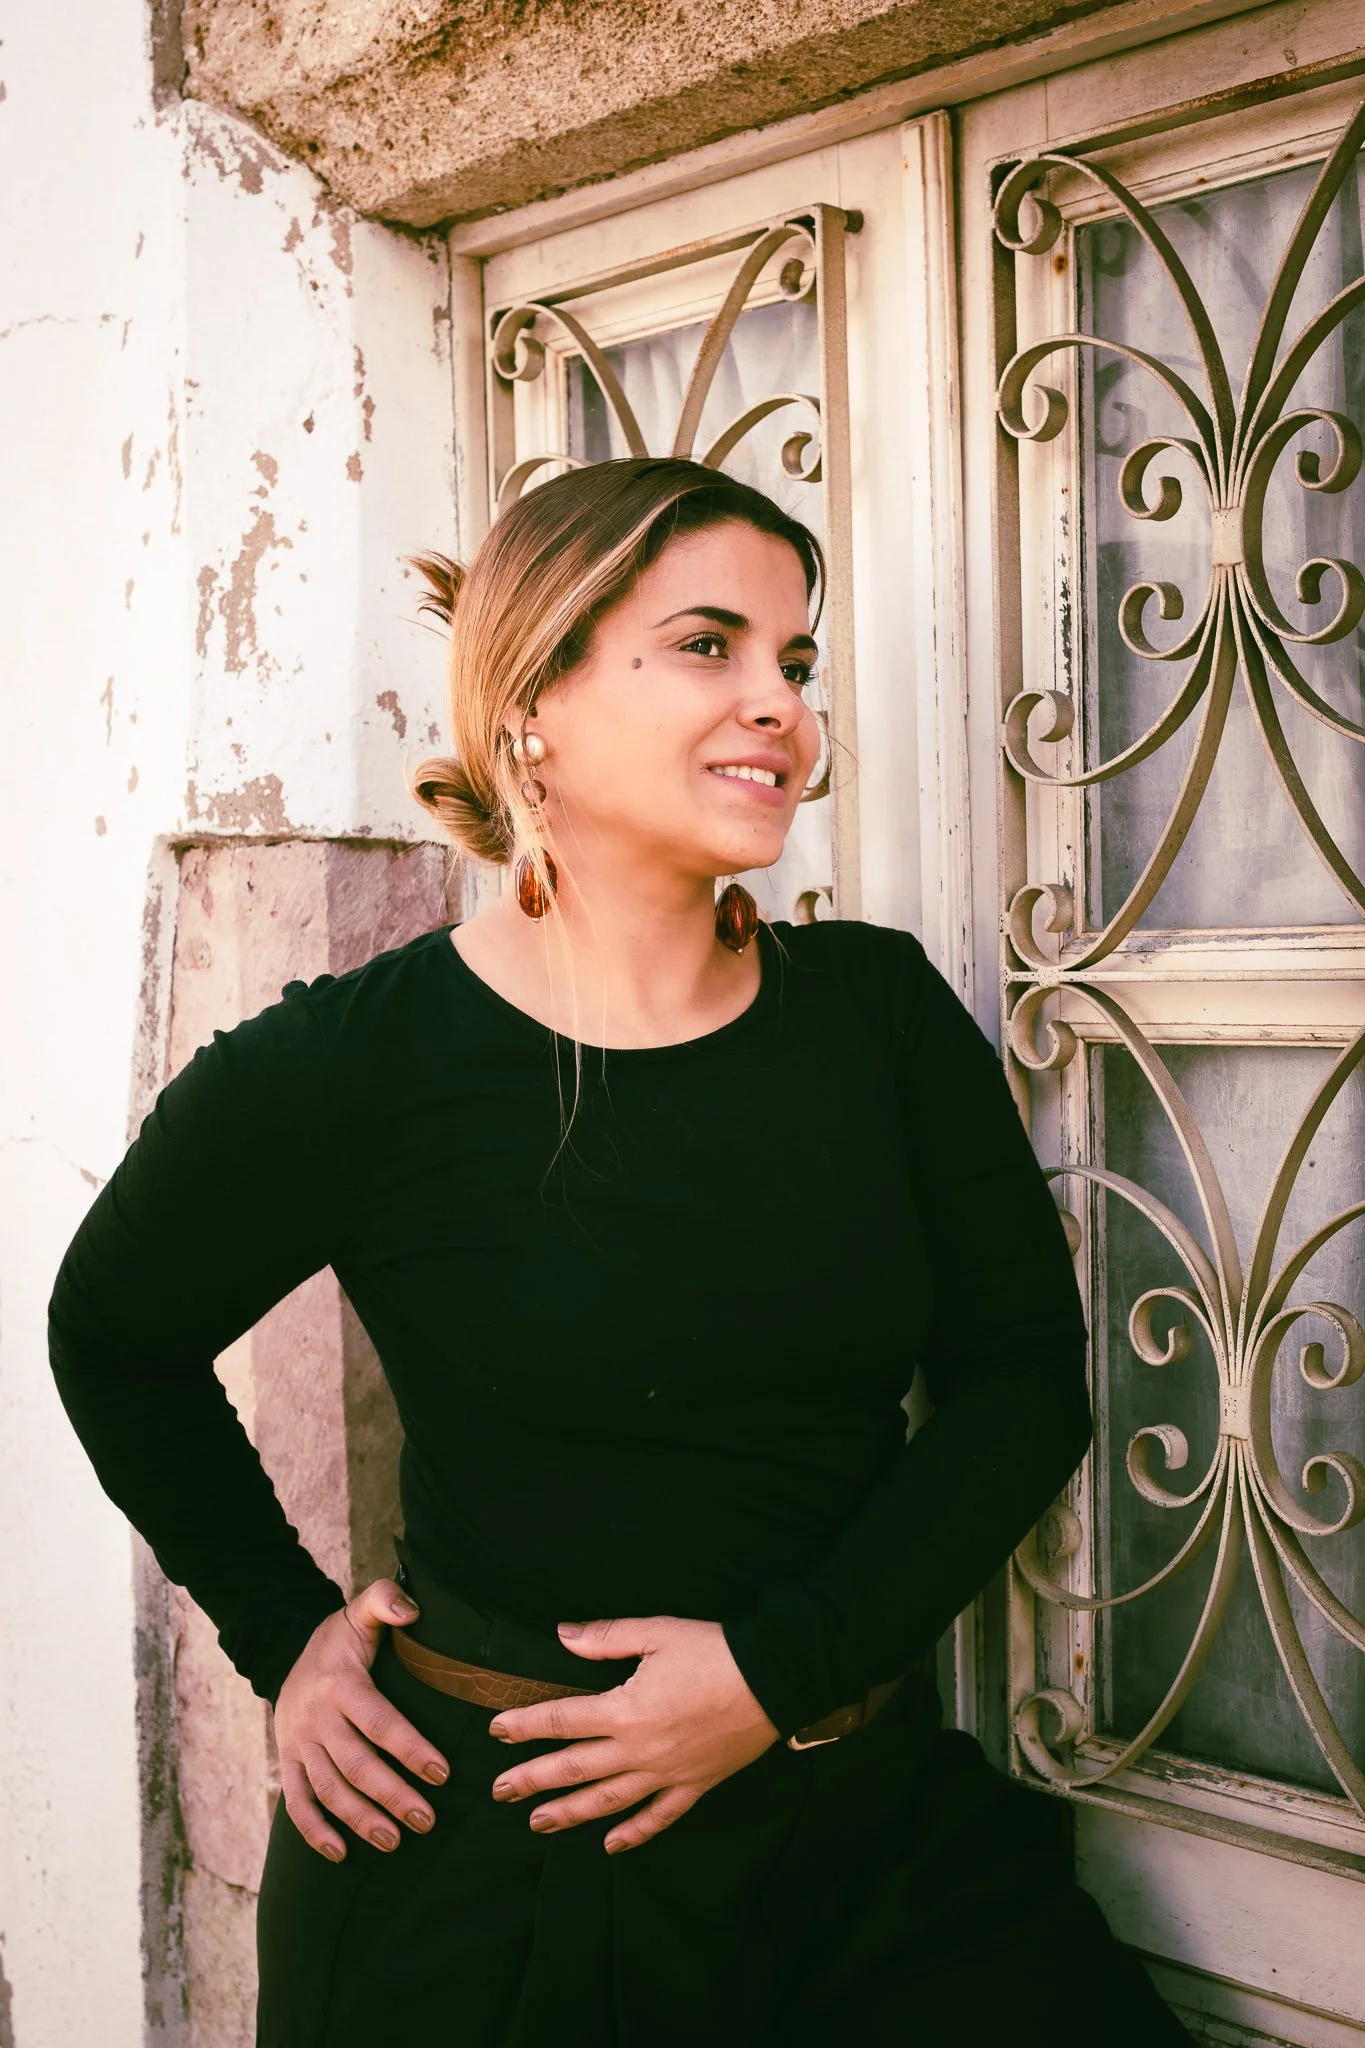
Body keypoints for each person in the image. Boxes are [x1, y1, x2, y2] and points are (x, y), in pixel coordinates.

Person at [50, 457, 1190, 2046]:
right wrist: (283, 1632)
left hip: (873, 1853)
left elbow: (1020, 1390)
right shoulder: (352, 1068)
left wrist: (772, 1676)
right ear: (534, 707)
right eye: (708, 645)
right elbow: (113, 1337)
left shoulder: (878, 1019)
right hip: (490, 1884)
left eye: (795, 660)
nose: (781, 704)